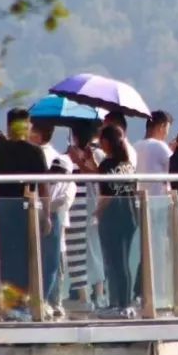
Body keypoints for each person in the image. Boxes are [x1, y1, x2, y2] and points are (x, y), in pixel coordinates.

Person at [0, 108, 51, 309]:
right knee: (25, 255)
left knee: (6, 254)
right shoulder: (35, 151)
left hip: (5, 208)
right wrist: (46, 215)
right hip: (26, 209)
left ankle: (11, 299)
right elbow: (43, 187)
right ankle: (21, 300)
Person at [29, 121, 75, 314]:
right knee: (45, 264)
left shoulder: (69, 185)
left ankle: (55, 302)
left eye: (60, 171)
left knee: (56, 265)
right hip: (41, 223)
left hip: (57, 226)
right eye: (53, 170)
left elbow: (62, 203)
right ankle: (43, 300)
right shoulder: (46, 183)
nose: (55, 174)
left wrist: (45, 210)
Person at [95, 123, 138, 316]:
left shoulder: (106, 165)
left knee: (114, 262)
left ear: (106, 142)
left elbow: (105, 195)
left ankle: (120, 304)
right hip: (129, 216)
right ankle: (124, 302)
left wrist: (96, 214)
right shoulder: (127, 165)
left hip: (112, 218)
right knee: (124, 262)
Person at [64, 123, 105, 308]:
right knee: (96, 251)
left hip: (76, 207)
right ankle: (100, 294)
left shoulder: (70, 158)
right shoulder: (101, 154)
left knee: (76, 251)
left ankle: (84, 297)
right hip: (97, 208)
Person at [134, 110, 174, 197]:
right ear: (162, 126)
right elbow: (174, 167)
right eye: (167, 129)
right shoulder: (160, 146)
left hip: (141, 198)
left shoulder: (135, 146)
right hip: (159, 199)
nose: (167, 134)